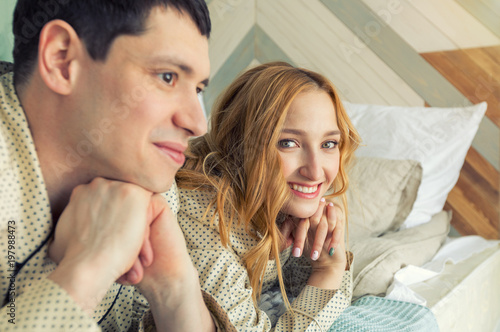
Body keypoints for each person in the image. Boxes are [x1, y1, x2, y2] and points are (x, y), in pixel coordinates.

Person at [0, 1, 234, 331]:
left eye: (197, 90)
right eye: (167, 77)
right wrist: (84, 274)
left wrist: (177, 292)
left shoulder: (153, 192)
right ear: (62, 60)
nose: (199, 124)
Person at [176, 62, 361, 331]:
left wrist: (321, 259)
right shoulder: (202, 215)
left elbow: (295, 292)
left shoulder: (277, 202)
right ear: (241, 144)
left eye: (328, 144)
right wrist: (328, 272)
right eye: (288, 143)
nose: (315, 171)